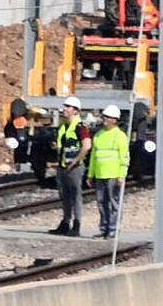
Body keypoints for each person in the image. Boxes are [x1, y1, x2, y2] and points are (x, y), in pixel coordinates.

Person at [48, 96, 91, 237]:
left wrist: (76, 161)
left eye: (68, 107)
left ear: (76, 111)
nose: (64, 109)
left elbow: (86, 145)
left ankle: (76, 224)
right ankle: (66, 222)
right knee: (65, 196)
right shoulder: (64, 126)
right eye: (64, 106)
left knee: (75, 196)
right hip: (63, 167)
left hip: (74, 168)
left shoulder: (80, 127)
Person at [88, 104, 130, 239]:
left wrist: (121, 175)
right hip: (100, 174)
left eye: (108, 117)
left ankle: (113, 229)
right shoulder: (99, 135)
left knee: (114, 203)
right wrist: (90, 174)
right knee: (101, 203)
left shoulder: (120, 136)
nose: (105, 119)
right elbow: (94, 157)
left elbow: (124, 157)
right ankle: (104, 228)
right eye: (104, 116)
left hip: (114, 175)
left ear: (115, 120)